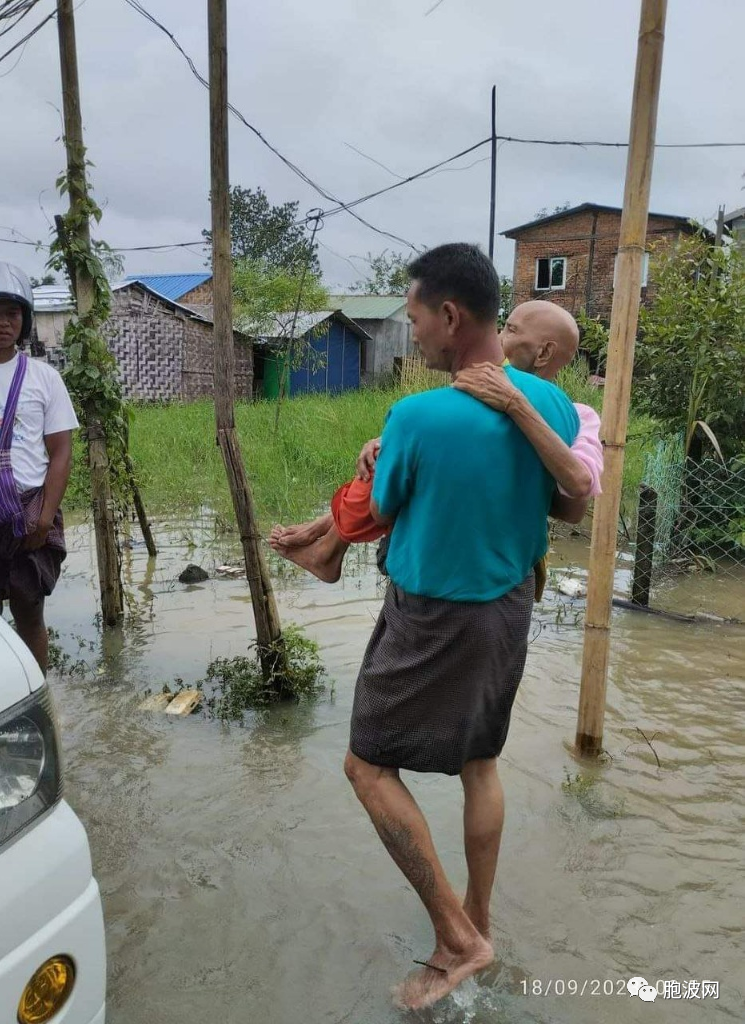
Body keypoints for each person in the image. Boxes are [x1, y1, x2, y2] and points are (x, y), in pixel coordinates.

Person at [339, 244, 586, 1010]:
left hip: (431, 617)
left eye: (413, 317)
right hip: (506, 608)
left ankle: (455, 935)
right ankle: (478, 917)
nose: (411, 332)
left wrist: (373, 457)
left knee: (367, 767)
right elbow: (562, 501)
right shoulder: (547, 404)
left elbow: (380, 509)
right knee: (480, 763)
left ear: (449, 317)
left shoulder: (417, 413)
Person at [269, 299, 602, 595]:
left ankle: (327, 548)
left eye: (511, 330)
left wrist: (515, 411)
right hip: (456, 560)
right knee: (386, 460)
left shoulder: (573, 415)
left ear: (544, 352)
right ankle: (327, 539)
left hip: (486, 564)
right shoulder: (481, 391)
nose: (500, 339)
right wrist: (390, 442)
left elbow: (573, 504)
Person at [0, 262, 78, 674]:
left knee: (30, 613)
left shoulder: (43, 378)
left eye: (13, 314)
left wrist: (45, 517)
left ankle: (37, 700)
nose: (3, 322)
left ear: (25, 320)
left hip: (30, 512)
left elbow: (61, 452)